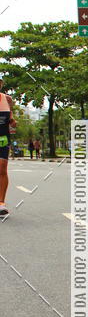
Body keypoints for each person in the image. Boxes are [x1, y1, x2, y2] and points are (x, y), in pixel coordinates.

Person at [0, 80, 17, 217]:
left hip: (3, 139)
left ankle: (1, 204)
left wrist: (12, 122)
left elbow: (11, 120)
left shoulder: (7, 99)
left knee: (2, 168)